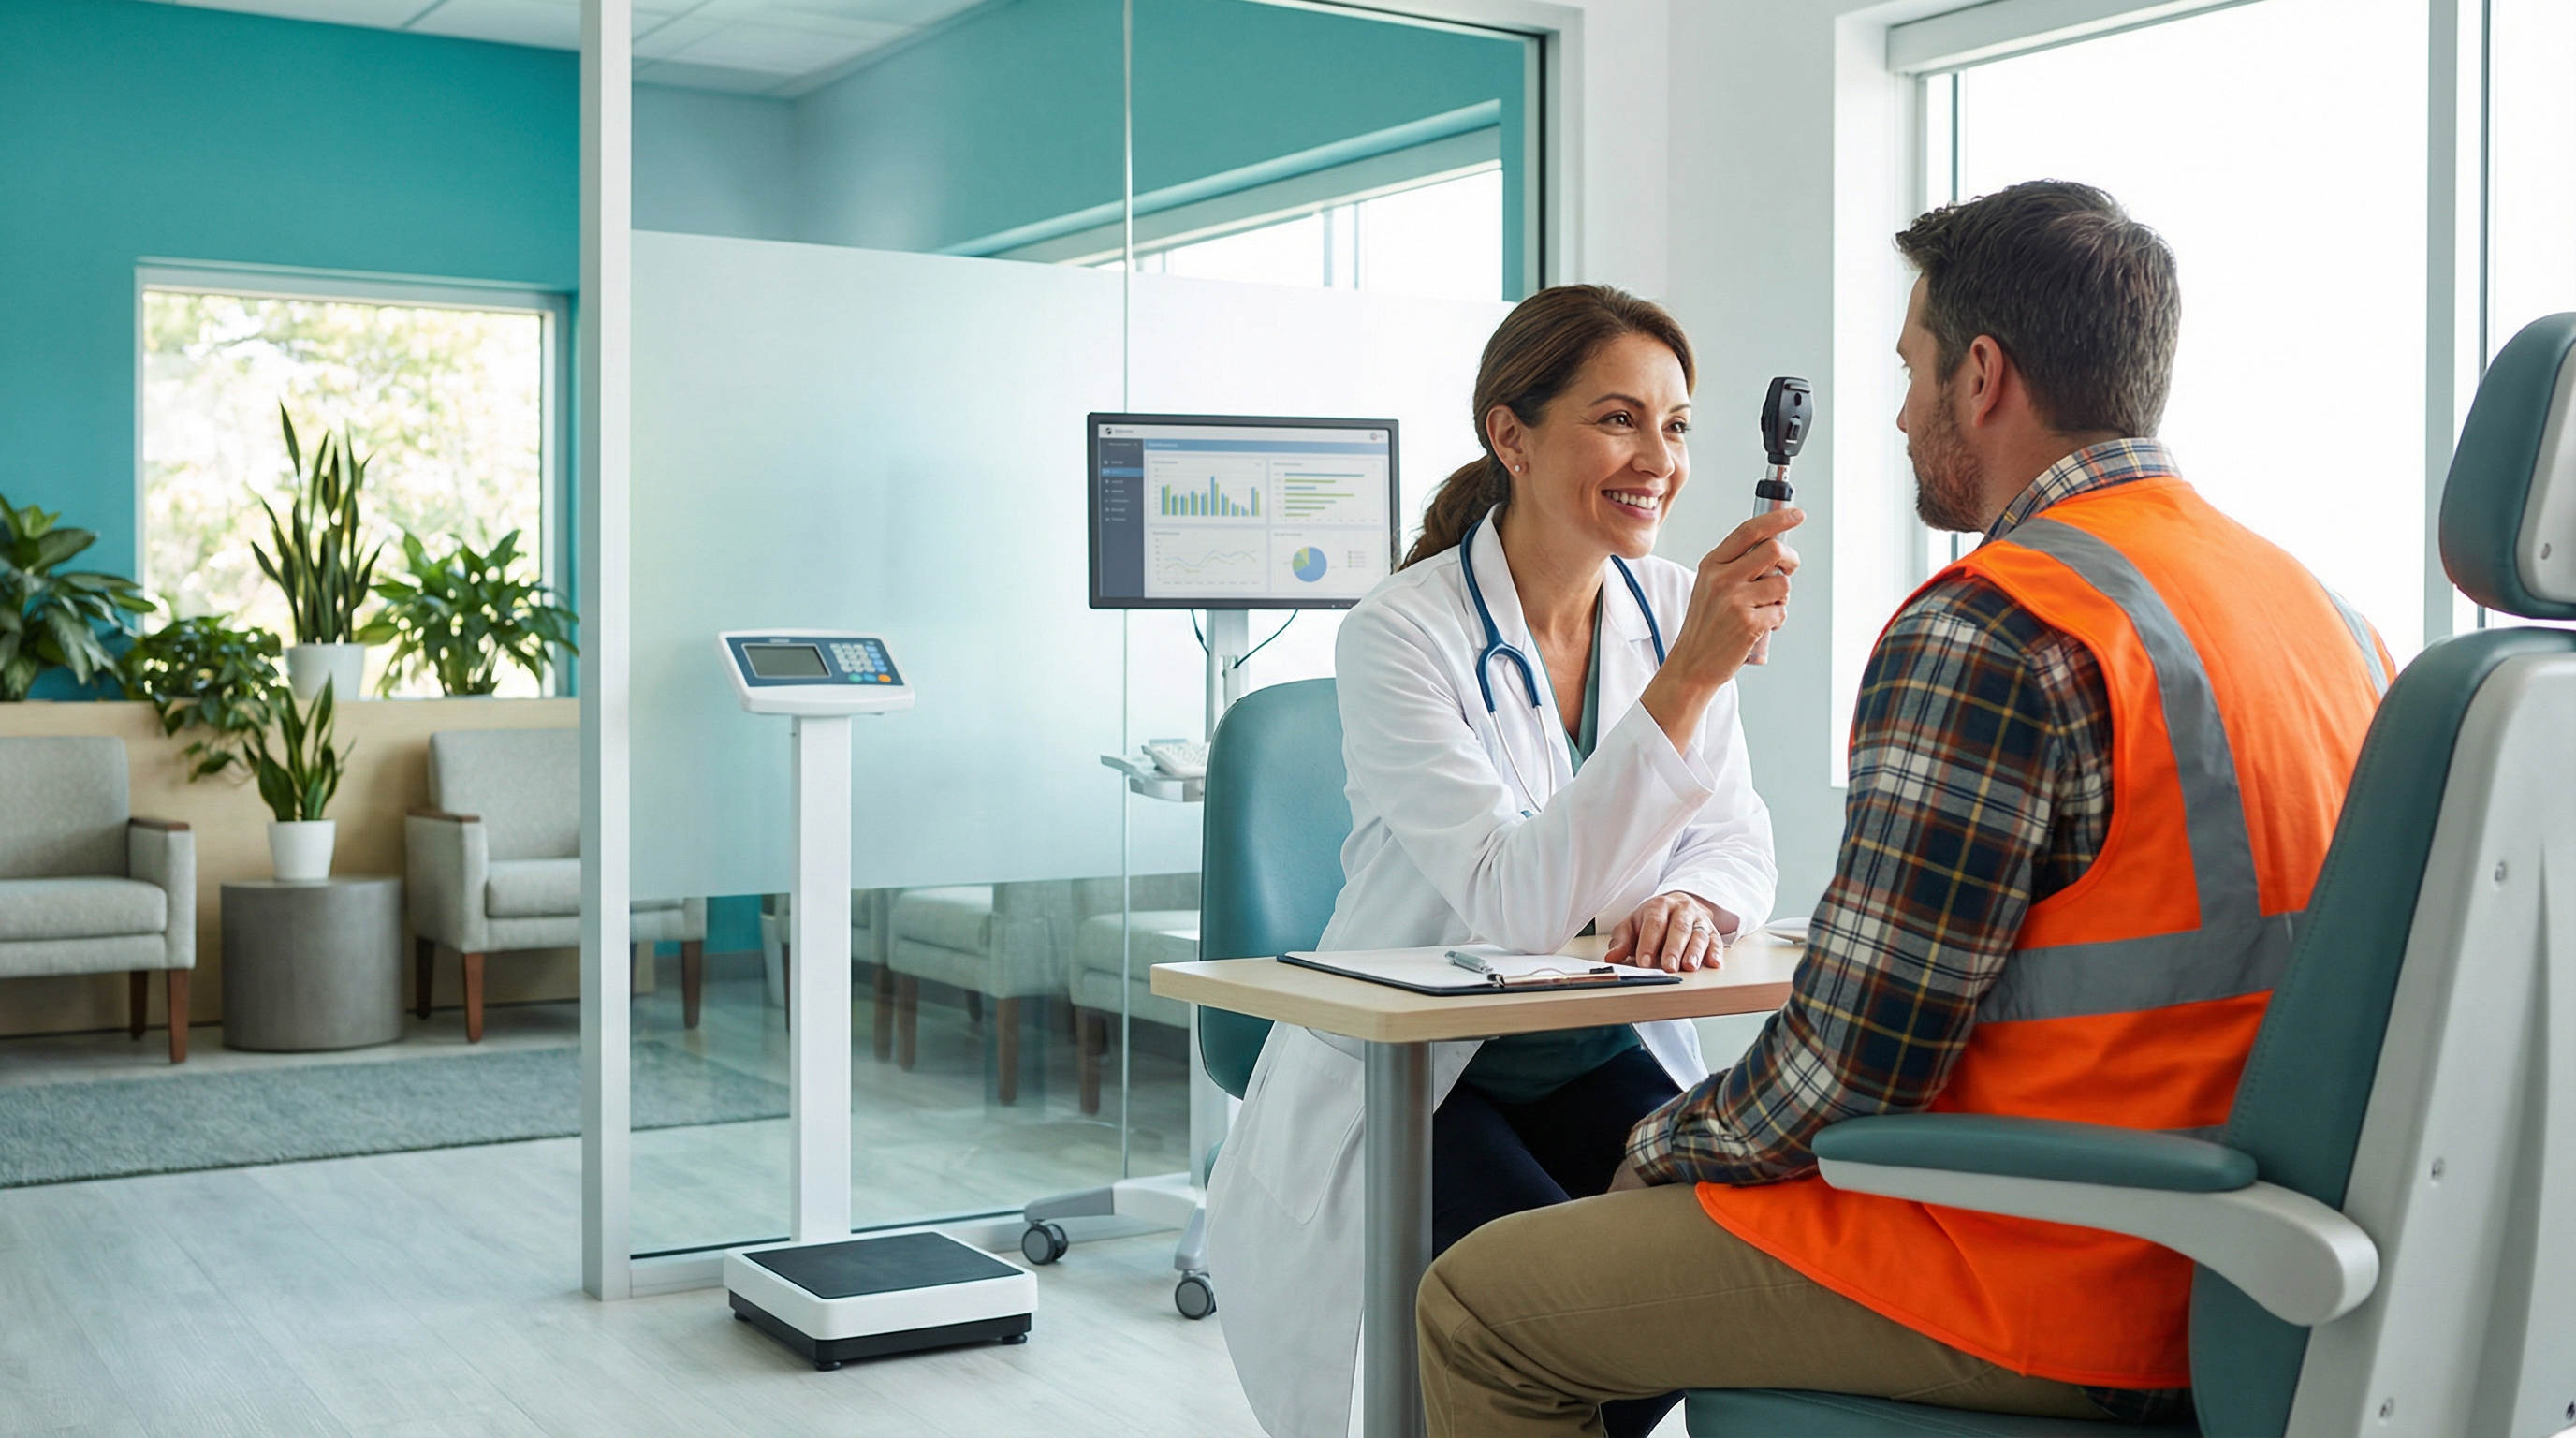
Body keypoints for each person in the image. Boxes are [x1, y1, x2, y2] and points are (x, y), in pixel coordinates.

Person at [1414, 182, 2395, 1434]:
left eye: (1910, 367)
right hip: (2269, 1263)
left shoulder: (1997, 625)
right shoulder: (2329, 617)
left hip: (2052, 1265)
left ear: (1980, 376)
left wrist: (1659, 1148)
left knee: (1484, 1307)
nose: (1895, 410)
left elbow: (1847, 1065)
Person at [1206, 285, 1799, 1438]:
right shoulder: (1398, 631)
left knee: (1716, 1265)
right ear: (1510, 434)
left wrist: (1693, 896)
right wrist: (1688, 680)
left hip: (1586, 1047)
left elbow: (1738, 838)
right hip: (1426, 1073)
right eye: (1618, 418)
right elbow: (1514, 901)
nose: (1657, 458)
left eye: (1676, 426)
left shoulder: (1672, 602)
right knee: (1555, 1323)